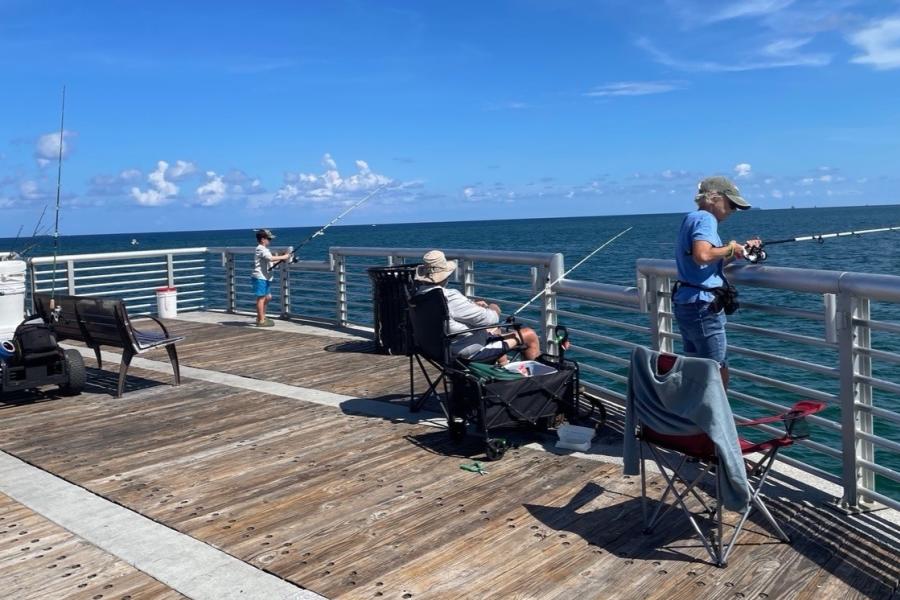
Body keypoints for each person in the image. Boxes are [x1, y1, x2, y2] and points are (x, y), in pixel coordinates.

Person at [672, 176, 760, 388]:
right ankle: (716, 418)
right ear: (714, 198)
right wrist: (732, 248)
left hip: (686, 301)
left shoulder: (691, 218)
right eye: (731, 204)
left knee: (695, 368)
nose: (732, 211)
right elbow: (702, 255)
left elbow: (702, 261)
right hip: (703, 306)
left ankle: (693, 417)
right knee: (716, 368)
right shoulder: (706, 219)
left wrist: (736, 253)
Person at [414, 249, 541, 362]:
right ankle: (537, 382)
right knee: (529, 334)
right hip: (466, 352)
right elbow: (491, 319)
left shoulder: (419, 295)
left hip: (436, 349)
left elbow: (449, 314)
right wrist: (493, 307)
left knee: (493, 330)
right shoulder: (449, 296)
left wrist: (472, 306)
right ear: (445, 275)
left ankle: (503, 368)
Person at [251, 229, 292, 327]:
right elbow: (270, 258)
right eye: (268, 238)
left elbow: (270, 261)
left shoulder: (265, 249)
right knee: (261, 298)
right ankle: (261, 320)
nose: (270, 240)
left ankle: (261, 316)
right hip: (260, 277)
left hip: (266, 277)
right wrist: (284, 257)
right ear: (262, 239)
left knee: (268, 297)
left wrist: (281, 258)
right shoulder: (260, 248)